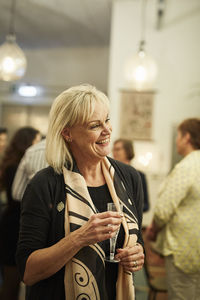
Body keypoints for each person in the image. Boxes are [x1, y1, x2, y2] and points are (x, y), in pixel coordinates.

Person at [16, 84, 145, 300]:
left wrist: (137, 254)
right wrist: (80, 237)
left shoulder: (129, 177)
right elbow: (28, 272)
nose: (107, 130)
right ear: (67, 133)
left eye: (107, 119)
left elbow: (136, 240)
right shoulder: (45, 184)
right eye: (95, 125)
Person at [146, 118, 200, 300]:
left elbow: (163, 209)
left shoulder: (187, 166)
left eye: (178, 135)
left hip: (184, 250)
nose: (176, 140)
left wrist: (152, 231)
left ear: (187, 137)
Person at [0, 126, 41, 300]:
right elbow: (17, 198)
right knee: (11, 279)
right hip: (14, 226)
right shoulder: (15, 167)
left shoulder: (12, 164)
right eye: (37, 141)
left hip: (12, 222)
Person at [112, 138, 149, 212]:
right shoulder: (110, 173)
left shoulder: (139, 175)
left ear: (127, 151)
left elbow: (146, 205)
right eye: (113, 149)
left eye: (118, 149)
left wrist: (127, 208)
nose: (114, 152)